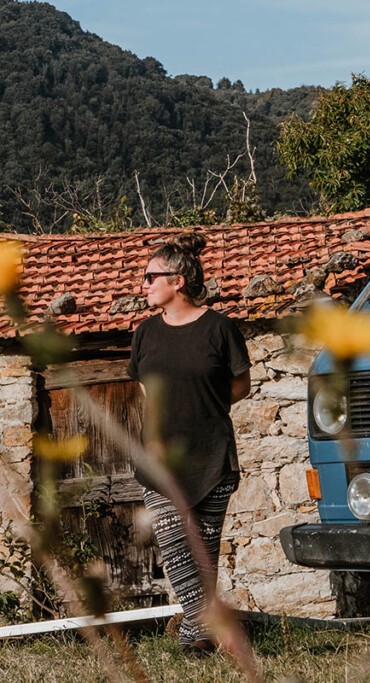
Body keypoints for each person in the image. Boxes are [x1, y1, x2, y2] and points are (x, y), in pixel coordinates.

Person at [127, 233, 251, 656]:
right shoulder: (145, 333)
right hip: (160, 461)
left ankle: (196, 638)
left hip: (212, 457)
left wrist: (202, 408)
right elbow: (147, 389)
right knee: (175, 545)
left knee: (205, 551)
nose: (142, 284)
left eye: (149, 277)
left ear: (177, 280)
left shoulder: (220, 328)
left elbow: (240, 385)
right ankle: (200, 630)